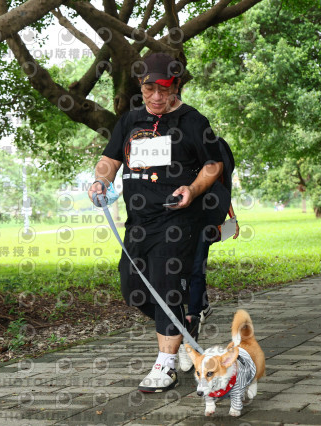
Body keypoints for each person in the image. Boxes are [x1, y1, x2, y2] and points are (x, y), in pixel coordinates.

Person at [88, 52, 224, 392]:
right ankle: (184, 325)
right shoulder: (129, 121)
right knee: (133, 289)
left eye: (165, 89)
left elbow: (213, 165)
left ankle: (165, 366)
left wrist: (192, 189)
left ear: (176, 86)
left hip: (178, 219)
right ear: (141, 86)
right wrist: (100, 181)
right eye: (150, 89)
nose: (157, 97)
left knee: (167, 285)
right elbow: (109, 159)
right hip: (139, 221)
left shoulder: (193, 121)